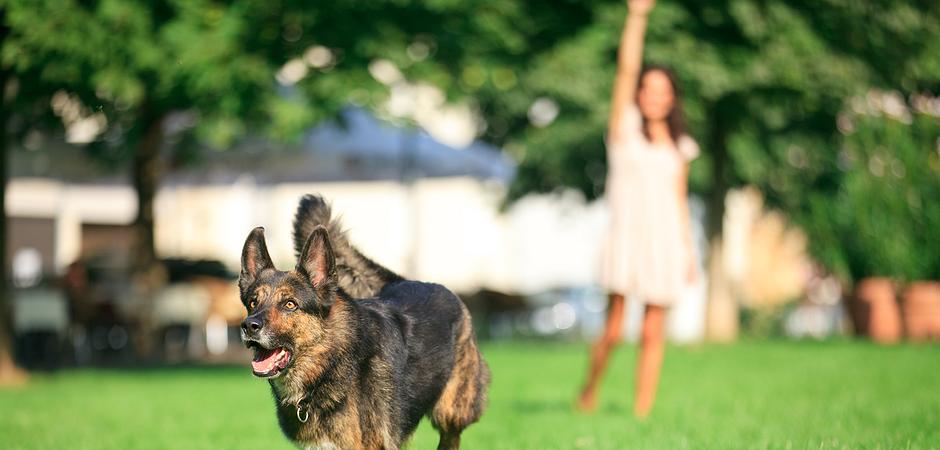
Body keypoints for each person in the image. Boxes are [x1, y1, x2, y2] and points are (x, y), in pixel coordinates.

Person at [577, 0, 699, 418]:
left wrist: (688, 251)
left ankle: (642, 411)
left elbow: (679, 202)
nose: (655, 97)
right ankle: (589, 390)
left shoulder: (679, 145)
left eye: (663, 91)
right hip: (628, 239)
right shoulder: (624, 130)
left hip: (665, 244)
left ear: (672, 98)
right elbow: (627, 69)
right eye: (649, 90)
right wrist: (637, 16)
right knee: (613, 330)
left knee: (652, 331)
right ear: (639, 95)